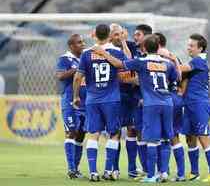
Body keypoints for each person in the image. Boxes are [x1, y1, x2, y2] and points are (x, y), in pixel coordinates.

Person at [92, 34, 179, 183]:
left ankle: (151, 176)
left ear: (144, 48)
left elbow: (119, 64)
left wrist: (104, 53)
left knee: (151, 140)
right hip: (167, 103)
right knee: (166, 138)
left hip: (151, 104)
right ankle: (163, 173)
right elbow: (176, 78)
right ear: (158, 47)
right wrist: (174, 59)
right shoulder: (167, 63)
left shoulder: (140, 62)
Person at [72, 24, 127, 182]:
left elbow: (77, 77)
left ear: (94, 35)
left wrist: (76, 96)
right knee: (114, 133)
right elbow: (124, 69)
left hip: (92, 100)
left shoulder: (87, 54)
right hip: (112, 99)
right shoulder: (117, 52)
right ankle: (109, 170)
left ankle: (93, 172)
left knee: (93, 134)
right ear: (109, 35)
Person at [180, 34, 210, 182]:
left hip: (200, 104)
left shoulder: (199, 61)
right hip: (189, 104)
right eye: (188, 45)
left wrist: (167, 60)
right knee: (190, 138)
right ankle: (194, 172)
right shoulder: (196, 61)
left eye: (191, 46)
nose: (188, 48)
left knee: (204, 137)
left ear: (200, 48)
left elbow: (182, 68)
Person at [108, 23, 140, 178]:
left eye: (121, 33)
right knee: (115, 131)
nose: (119, 37)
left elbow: (130, 61)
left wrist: (123, 43)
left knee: (132, 129)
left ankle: (132, 169)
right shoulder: (107, 50)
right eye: (116, 34)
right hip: (115, 96)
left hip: (132, 95)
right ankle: (114, 168)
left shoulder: (132, 47)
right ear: (109, 36)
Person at [155, 32, 185, 181]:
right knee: (174, 137)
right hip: (176, 97)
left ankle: (163, 171)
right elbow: (181, 78)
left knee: (162, 137)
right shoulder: (174, 57)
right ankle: (180, 173)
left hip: (164, 98)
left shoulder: (157, 57)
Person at [55, 34, 86, 179]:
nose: (83, 44)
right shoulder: (65, 59)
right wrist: (77, 69)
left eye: (83, 42)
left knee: (80, 135)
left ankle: (76, 169)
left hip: (85, 102)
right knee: (71, 132)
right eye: (79, 42)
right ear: (72, 46)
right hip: (70, 101)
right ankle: (71, 169)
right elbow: (60, 76)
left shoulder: (85, 58)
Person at [126, 24, 153, 176]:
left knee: (146, 133)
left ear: (147, 37)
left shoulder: (157, 54)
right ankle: (132, 169)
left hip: (149, 100)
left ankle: (150, 169)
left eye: (138, 35)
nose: (134, 37)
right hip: (132, 98)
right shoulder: (131, 47)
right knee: (131, 130)